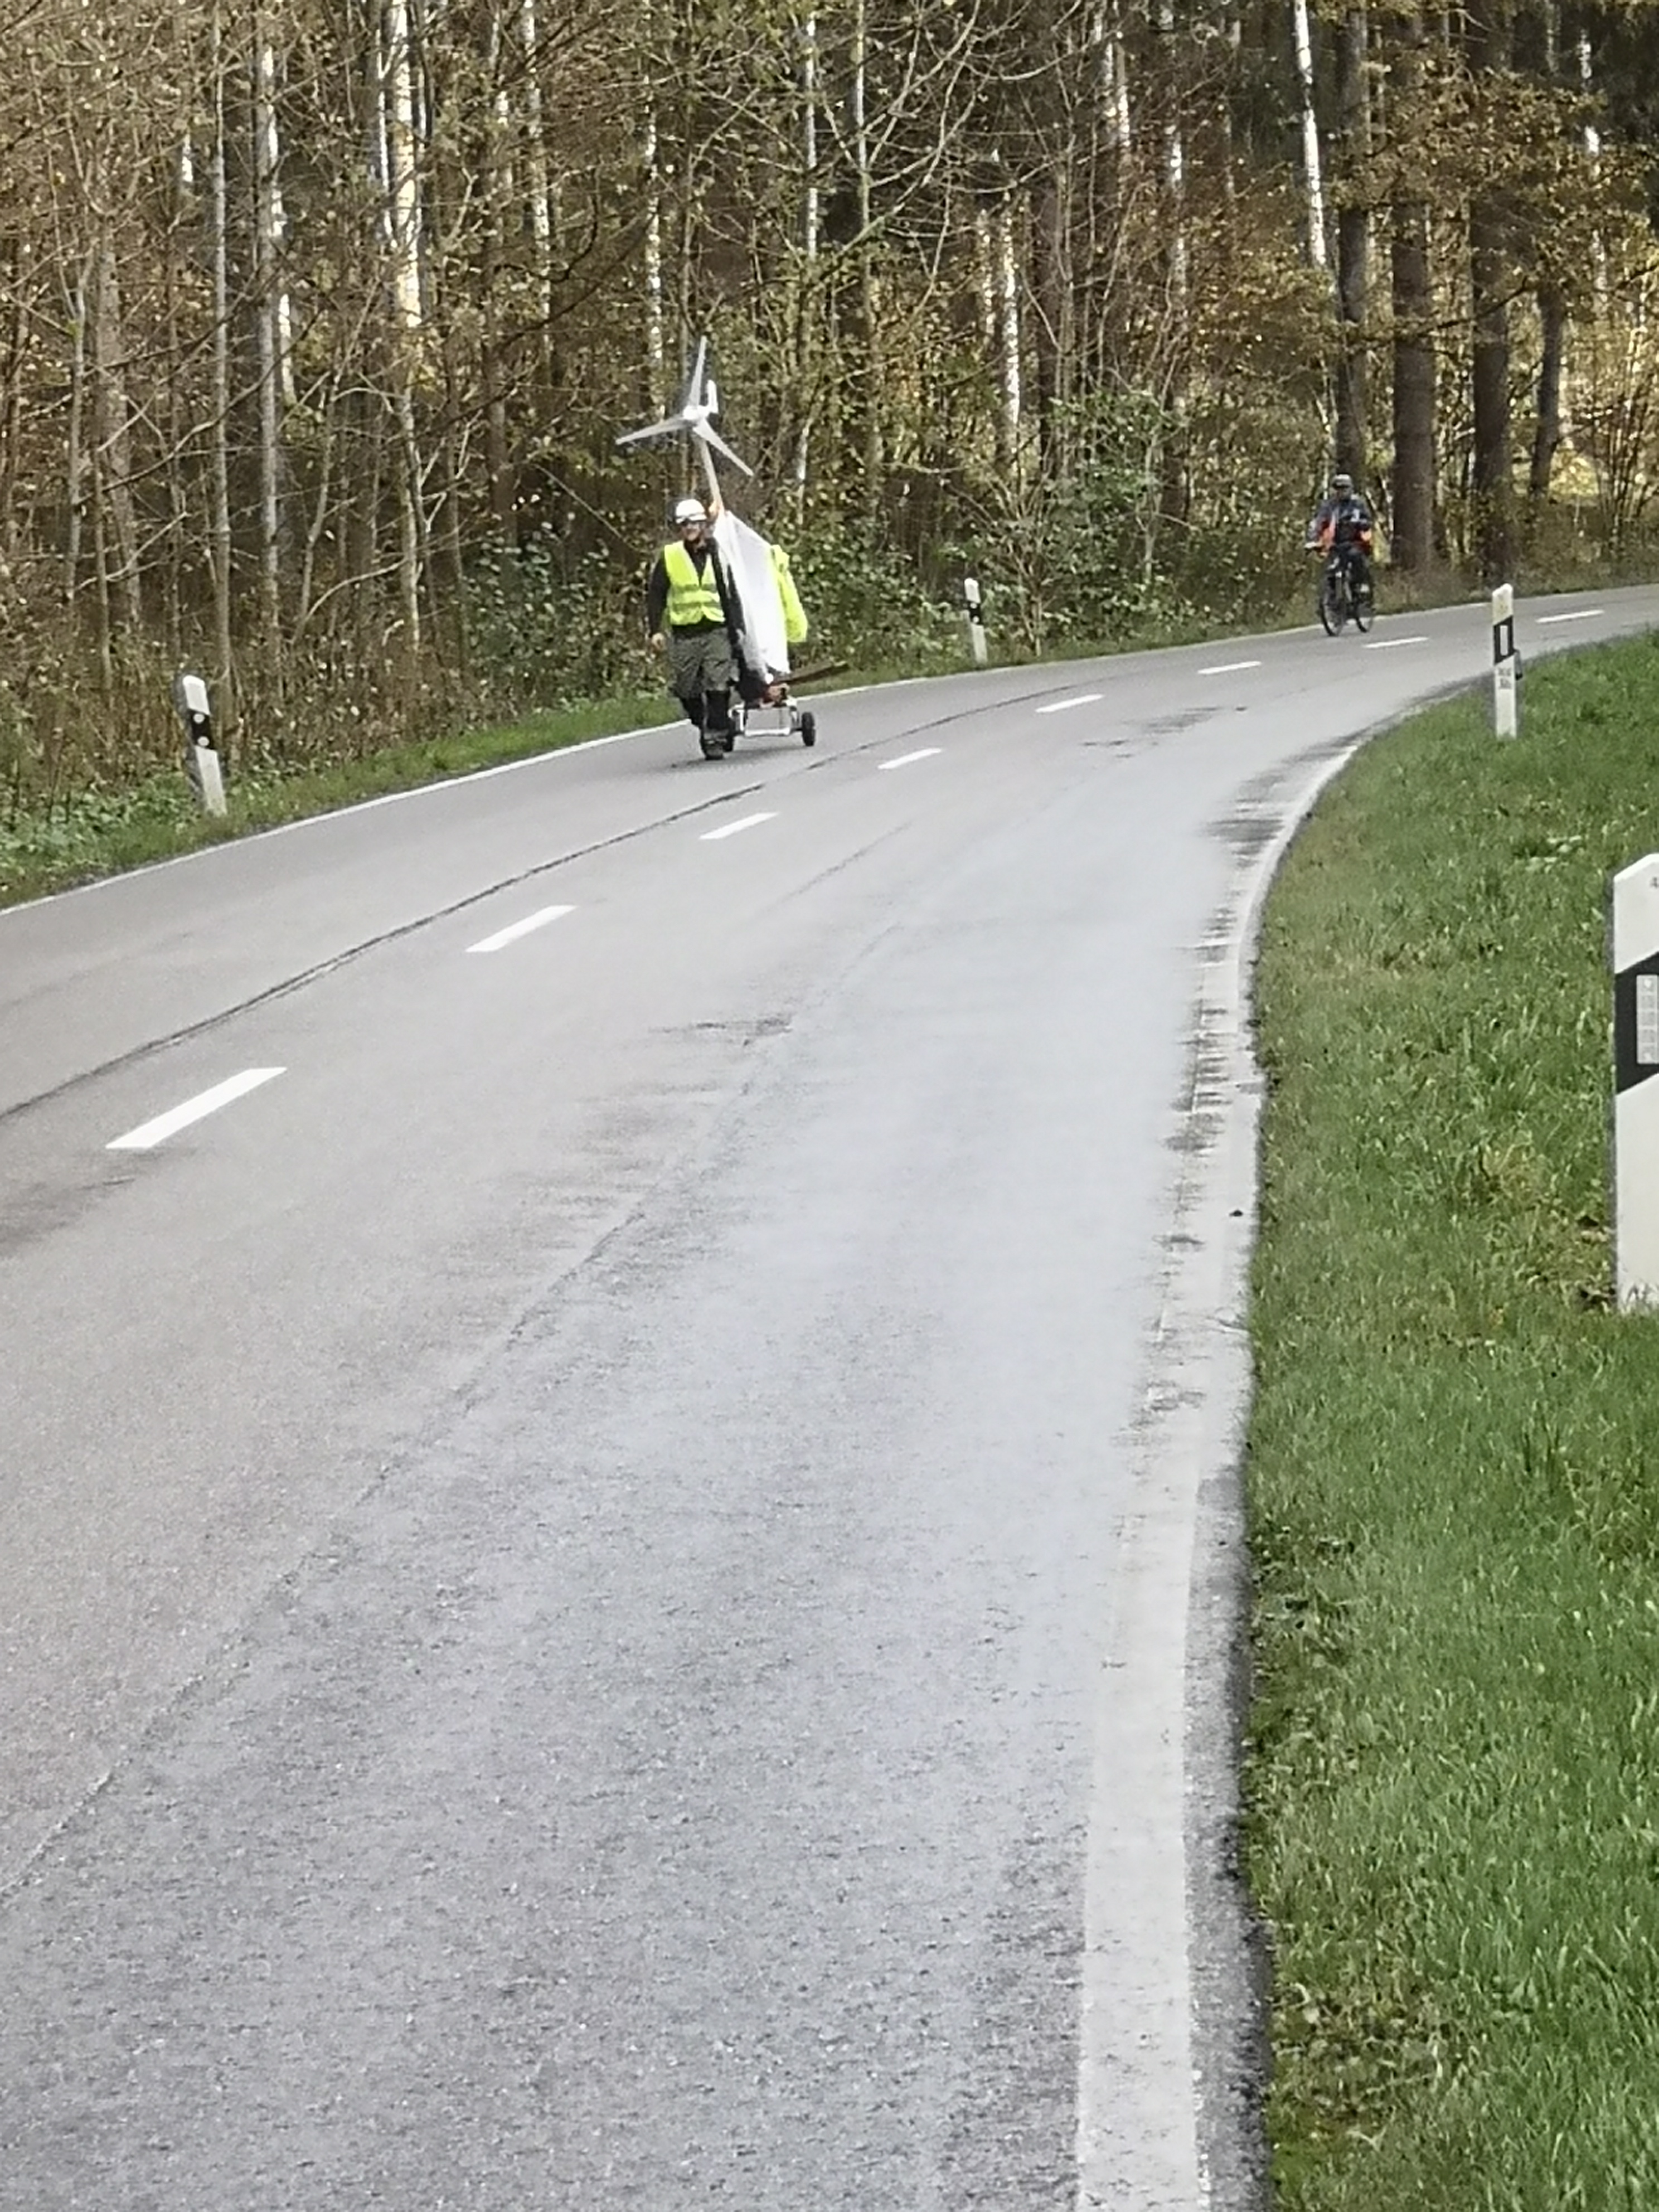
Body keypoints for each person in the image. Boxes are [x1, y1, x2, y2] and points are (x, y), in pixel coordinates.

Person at [646, 495, 739, 758]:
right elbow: (656, 594)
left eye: (694, 524)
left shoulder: (719, 553)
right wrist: (655, 629)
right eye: (685, 525)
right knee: (686, 689)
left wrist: (737, 627)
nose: (689, 529)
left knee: (718, 683)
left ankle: (716, 736)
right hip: (685, 634)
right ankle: (706, 722)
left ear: (703, 525)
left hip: (716, 629)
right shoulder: (670, 556)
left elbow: (731, 594)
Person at [1306, 472, 1375, 601]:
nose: (1341, 492)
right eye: (1337, 488)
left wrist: (1362, 523)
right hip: (1335, 544)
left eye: (1344, 488)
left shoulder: (1358, 503)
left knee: (1356, 556)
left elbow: (1367, 519)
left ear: (1350, 488)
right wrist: (1312, 539)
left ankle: (1361, 585)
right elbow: (1318, 521)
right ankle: (1329, 599)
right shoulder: (1329, 505)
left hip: (1355, 542)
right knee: (1330, 567)